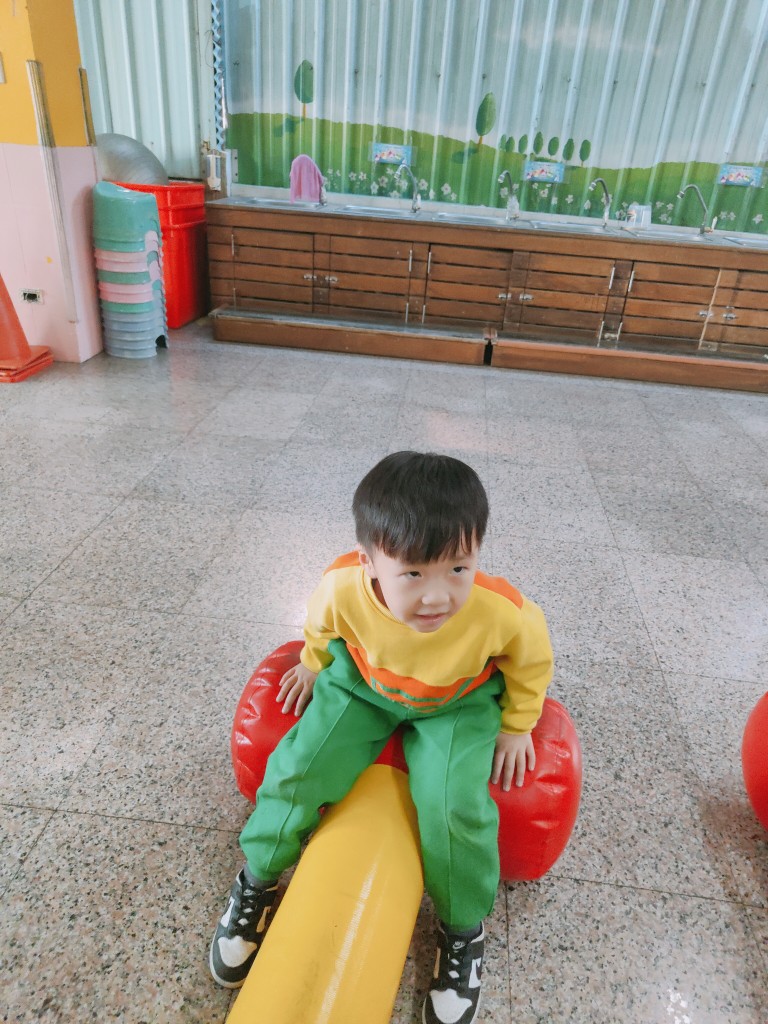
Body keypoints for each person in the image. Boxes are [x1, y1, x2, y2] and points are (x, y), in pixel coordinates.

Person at [209, 451, 554, 1024]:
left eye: (458, 568)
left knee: (455, 805)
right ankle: (258, 879)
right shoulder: (343, 585)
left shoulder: (501, 611)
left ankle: (462, 929)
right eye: (413, 573)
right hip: (365, 683)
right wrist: (314, 664)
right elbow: (320, 622)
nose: (438, 596)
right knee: (299, 768)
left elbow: (532, 659)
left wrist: (518, 724)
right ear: (370, 562)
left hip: (458, 702)